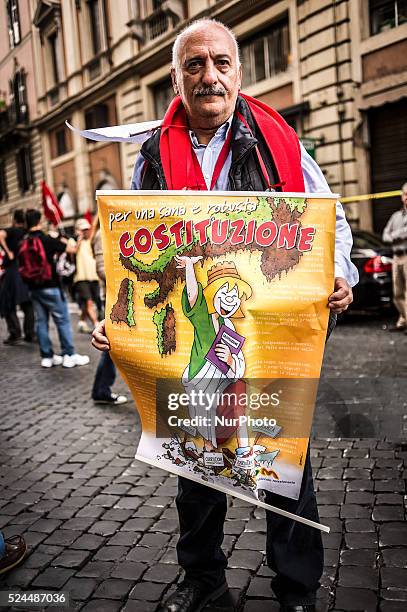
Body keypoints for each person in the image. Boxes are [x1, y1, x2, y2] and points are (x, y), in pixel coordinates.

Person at [92, 19, 358, 612]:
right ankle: (206, 586)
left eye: (221, 63)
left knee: (284, 468)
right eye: (195, 64)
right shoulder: (154, 154)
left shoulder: (277, 140)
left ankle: (296, 591)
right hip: (191, 342)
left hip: (267, 338)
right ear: (176, 76)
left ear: (238, 70)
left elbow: (328, 221)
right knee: (194, 472)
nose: (209, 76)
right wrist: (119, 315)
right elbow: (132, 244)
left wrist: (339, 274)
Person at [24, 209, 90, 369]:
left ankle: (47, 357)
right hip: (51, 286)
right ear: (39, 221)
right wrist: (66, 237)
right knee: (62, 321)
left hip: (33, 288)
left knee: (41, 322)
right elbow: (71, 249)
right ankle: (69, 354)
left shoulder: (24, 242)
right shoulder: (47, 239)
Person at [90, 220, 128, 405]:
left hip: (122, 295)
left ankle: (101, 389)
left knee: (112, 344)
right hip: (115, 298)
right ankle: (101, 389)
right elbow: (102, 268)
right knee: (111, 345)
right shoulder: (100, 234)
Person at [0, 209, 35, 345]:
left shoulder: (12, 230)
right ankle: (30, 333)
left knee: (7, 302)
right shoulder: (27, 233)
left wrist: (8, 252)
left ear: (15, 220)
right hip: (26, 270)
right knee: (27, 303)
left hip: (13, 270)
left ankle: (15, 333)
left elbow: (0, 234)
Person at [382, 182, 407, 333]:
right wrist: (397, 236)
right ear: (401, 196)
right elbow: (385, 235)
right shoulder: (395, 216)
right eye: (405, 194)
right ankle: (403, 320)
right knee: (397, 293)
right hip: (396, 257)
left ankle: (403, 322)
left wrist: (394, 235)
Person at [73, 218, 101, 333]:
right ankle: (96, 324)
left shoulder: (92, 241)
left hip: (94, 276)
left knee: (90, 302)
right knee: (89, 301)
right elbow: (73, 251)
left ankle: (81, 322)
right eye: (83, 229)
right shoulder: (73, 241)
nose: (86, 231)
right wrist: (79, 238)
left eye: (87, 229)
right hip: (81, 277)